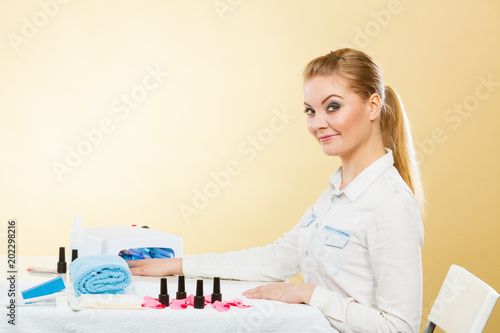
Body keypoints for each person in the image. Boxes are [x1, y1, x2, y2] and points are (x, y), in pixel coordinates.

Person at [128, 48, 425, 333]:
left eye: (332, 106)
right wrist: (176, 266)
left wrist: (310, 294)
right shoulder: (337, 193)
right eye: (310, 111)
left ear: (373, 106)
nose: (317, 124)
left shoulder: (391, 205)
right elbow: (274, 261)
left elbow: (398, 328)